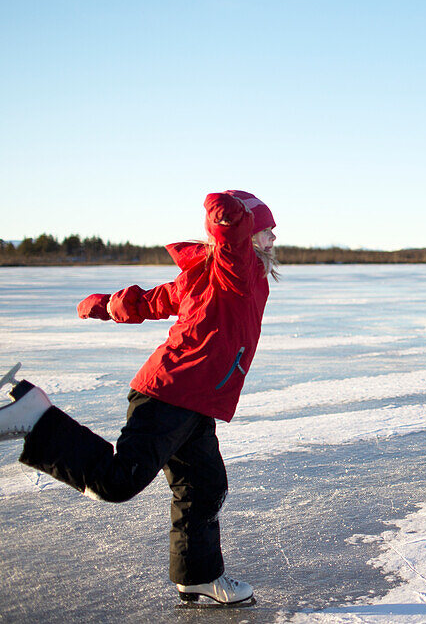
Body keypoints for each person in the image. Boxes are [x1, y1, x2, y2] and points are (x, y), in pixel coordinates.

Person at [0, 191, 278, 608]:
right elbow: (228, 237)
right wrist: (227, 213)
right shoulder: (235, 269)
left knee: (204, 487)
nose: (274, 237)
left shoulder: (209, 274)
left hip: (194, 400)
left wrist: (109, 307)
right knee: (118, 480)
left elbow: (154, 300)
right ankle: (36, 418)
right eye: (265, 230)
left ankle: (199, 577)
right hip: (171, 394)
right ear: (243, 237)